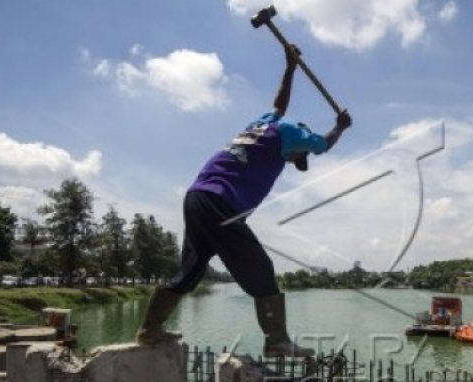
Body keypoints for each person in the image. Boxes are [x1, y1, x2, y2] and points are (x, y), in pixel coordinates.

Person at [136, 44, 352, 358]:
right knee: (261, 270)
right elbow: (323, 145)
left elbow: (278, 104)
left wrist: (290, 67)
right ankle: (277, 341)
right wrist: (340, 127)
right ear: (298, 145)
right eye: (297, 158)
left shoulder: (263, 123)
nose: (294, 160)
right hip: (222, 203)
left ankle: (149, 329)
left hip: (197, 196)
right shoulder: (295, 134)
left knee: (191, 271)